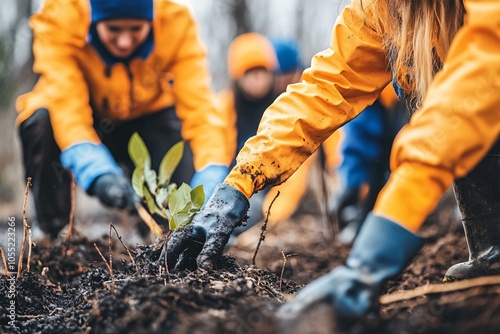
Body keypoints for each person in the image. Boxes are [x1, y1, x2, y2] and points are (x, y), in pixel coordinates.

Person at [167, 0, 500, 320]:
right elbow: (325, 91)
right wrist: (237, 185)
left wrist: (372, 257)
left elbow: (465, 104)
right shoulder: (382, 10)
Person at [16, 0, 230, 240]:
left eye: (136, 29)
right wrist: (95, 169)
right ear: (94, 19)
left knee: (175, 157)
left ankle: (163, 231)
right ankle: (53, 232)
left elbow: (201, 109)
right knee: (41, 120)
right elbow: (67, 106)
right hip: (85, 120)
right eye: (114, 29)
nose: (125, 41)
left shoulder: (176, 25)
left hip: (149, 119)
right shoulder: (60, 20)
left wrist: (212, 168)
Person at [334, 84, 408, 244]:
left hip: (407, 97)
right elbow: (359, 139)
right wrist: (353, 185)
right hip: (380, 93)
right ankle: (360, 206)